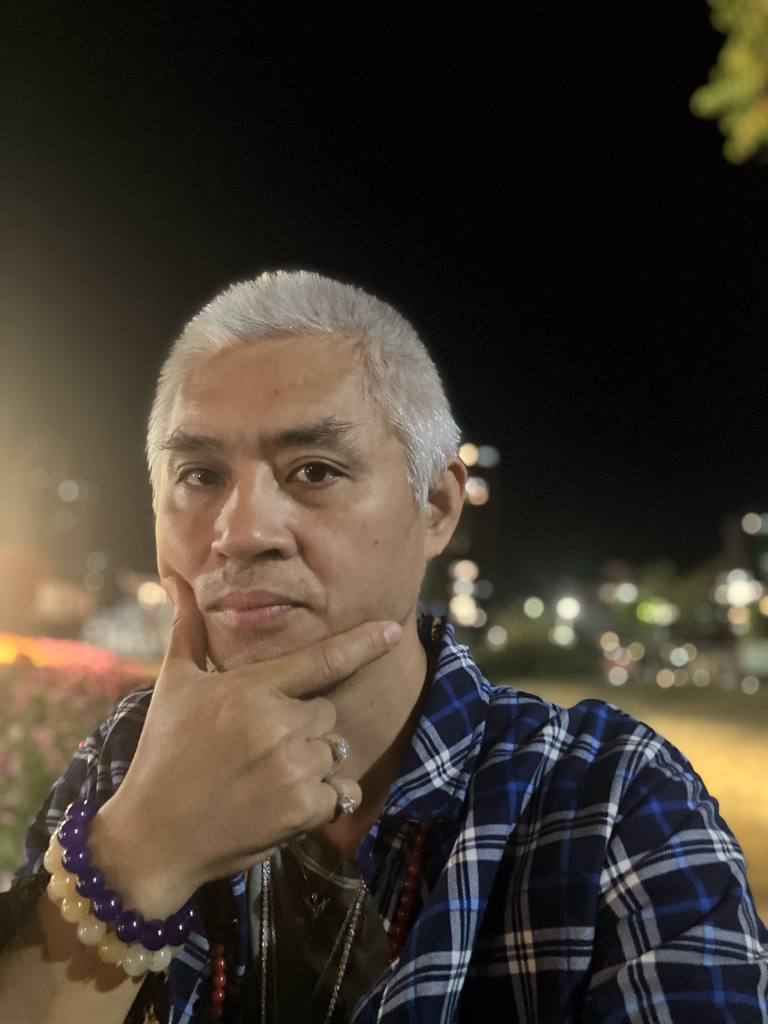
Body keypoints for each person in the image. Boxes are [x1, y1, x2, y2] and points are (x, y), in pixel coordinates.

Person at [0, 271, 766, 1024]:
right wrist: (136, 856)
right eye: (199, 475)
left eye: (314, 471)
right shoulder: (123, 763)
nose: (242, 532)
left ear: (436, 506)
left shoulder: (611, 806)